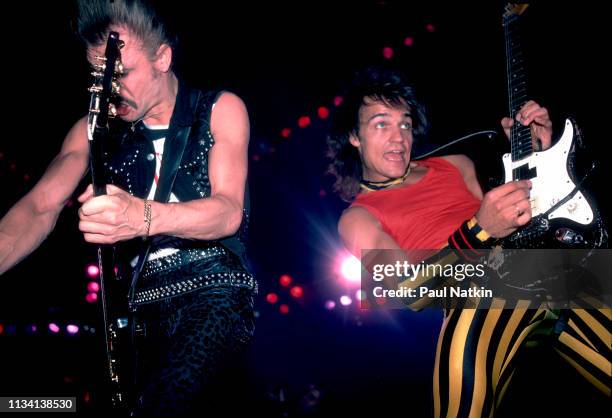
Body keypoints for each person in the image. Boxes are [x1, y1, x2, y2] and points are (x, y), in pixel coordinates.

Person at [0, 0, 256, 415]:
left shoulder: (218, 108)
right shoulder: (94, 129)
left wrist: (140, 215)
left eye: (121, 73)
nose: (110, 87)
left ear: (163, 58)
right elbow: (38, 206)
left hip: (213, 290)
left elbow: (228, 212)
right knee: (45, 405)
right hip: (134, 309)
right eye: (100, 76)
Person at [327, 66, 610, 417]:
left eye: (405, 123)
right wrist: (479, 229)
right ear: (354, 136)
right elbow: (407, 291)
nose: (399, 137)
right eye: (381, 124)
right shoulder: (357, 216)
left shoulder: (456, 163)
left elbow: (525, 220)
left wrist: (539, 153)